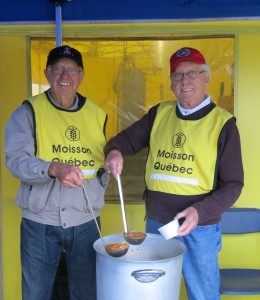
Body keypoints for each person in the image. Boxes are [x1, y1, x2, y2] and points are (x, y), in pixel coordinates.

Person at [104, 47, 244, 300]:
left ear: (206, 79)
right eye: (177, 75)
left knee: (202, 295)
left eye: (192, 73)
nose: (185, 81)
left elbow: (234, 184)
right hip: (157, 224)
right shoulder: (160, 114)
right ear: (171, 83)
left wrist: (199, 212)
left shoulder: (223, 123)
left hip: (199, 228)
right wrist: (115, 151)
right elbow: (126, 140)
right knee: (154, 292)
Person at [5, 45, 109, 300]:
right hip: (39, 220)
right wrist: (52, 168)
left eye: (72, 69)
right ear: (47, 73)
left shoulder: (98, 114)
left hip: (86, 220)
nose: (65, 75)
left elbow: (101, 163)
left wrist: (107, 174)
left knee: (86, 292)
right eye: (58, 69)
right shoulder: (28, 111)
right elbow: (16, 160)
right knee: (36, 293)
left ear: (81, 75)